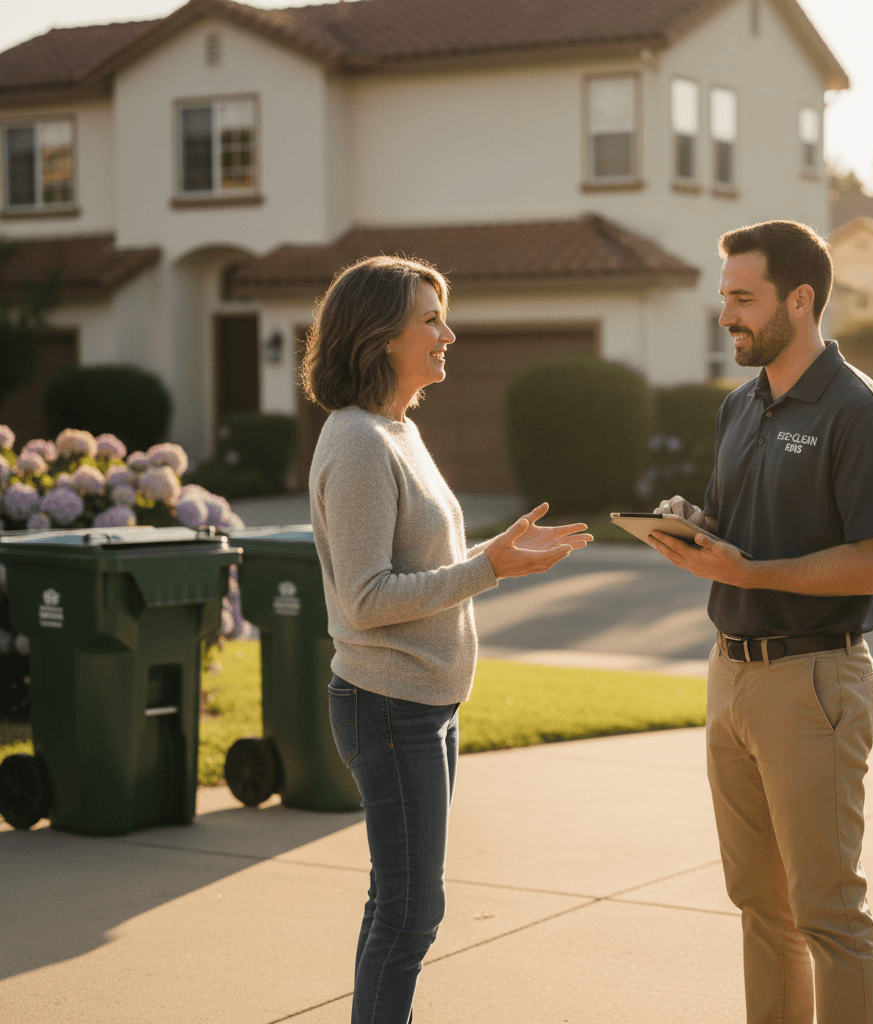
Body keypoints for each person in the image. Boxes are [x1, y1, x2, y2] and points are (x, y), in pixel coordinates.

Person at [302, 255, 591, 1024]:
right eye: (430, 318)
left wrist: (495, 558)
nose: (448, 333)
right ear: (379, 334)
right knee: (409, 913)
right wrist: (487, 569)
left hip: (423, 705)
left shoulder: (399, 430)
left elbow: (418, 568)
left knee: (399, 906)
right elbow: (366, 600)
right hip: (389, 707)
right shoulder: (361, 442)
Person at [649, 220, 873, 1024]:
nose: (726, 314)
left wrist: (753, 572)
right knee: (759, 903)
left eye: (741, 298)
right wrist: (694, 525)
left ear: (800, 301)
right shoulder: (739, 407)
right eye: (724, 297)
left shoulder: (860, 413)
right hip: (731, 676)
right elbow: (738, 525)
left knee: (827, 913)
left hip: (814, 682)